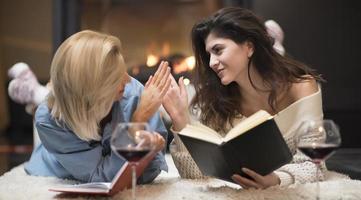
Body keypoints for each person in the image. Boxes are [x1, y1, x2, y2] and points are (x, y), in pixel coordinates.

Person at [163, 7, 325, 189]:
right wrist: (180, 121)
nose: (211, 63)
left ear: (249, 47)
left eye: (218, 50)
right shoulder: (217, 101)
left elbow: (315, 164)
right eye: (208, 55)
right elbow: (195, 175)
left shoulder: (301, 88)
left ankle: (276, 47)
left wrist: (277, 179)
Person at [24, 30, 172, 184]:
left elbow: (153, 167)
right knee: (53, 108)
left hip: (78, 105)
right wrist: (136, 122)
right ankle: (39, 94)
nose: (127, 81)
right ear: (94, 88)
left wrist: (137, 141)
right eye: (116, 77)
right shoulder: (48, 120)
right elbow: (99, 179)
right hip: (57, 164)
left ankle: (39, 92)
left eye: (124, 71)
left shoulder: (135, 94)